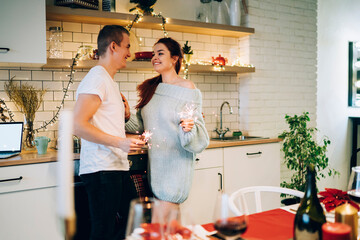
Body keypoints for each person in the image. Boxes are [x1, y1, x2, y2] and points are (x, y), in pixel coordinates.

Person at [73, 25, 145, 240]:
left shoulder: (108, 81)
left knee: (134, 224)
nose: (130, 53)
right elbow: (78, 125)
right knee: (103, 232)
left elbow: (102, 124)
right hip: (101, 169)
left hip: (115, 167)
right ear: (113, 46)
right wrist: (120, 142)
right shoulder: (97, 78)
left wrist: (126, 127)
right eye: (127, 46)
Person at [126, 37, 209, 216]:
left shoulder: (187, 88)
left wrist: (188, 128)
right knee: (166, 228)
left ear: (175, 58)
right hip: (156, 166)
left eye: (160, 53)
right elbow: (143, 126)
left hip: (176, 166)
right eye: (153, 54)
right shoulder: (152, 88)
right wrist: (126, 116)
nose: (155, 57)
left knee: (161, 225)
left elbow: (199, 136)